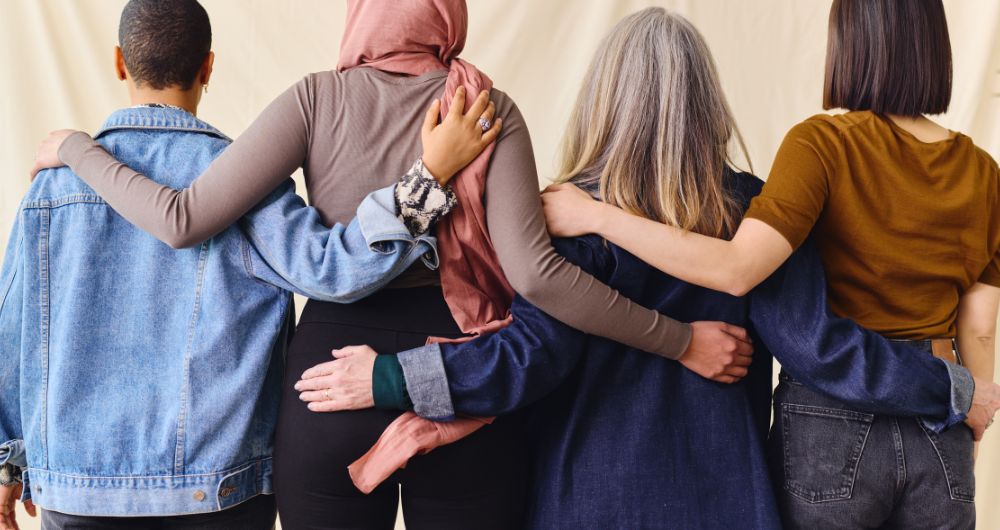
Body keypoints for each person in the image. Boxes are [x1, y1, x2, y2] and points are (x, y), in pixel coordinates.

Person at [28, 1, 767, 528]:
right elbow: (539, 278)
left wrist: (73, 147)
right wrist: (679, 339)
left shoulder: (315, 100)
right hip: (469, 386)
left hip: (327, 385)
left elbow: (181, 220)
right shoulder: (484, 108)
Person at [299, 8, 999, 529]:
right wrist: (951, 387)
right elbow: (819, 346)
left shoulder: (568, 218)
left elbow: (526, 358)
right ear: (709, 106)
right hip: (730, 505)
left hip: (586, 503)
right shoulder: (749, 213)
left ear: (604, 102)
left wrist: (393, 375)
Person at [0, 1, 483, 528]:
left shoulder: (53, 186)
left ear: (119, 63)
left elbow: (13, 331)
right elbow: (333, 270)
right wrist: (425, 183)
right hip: (219, 492)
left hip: (78, 492)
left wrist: (6, 465)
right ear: (209, 66)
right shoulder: (246, 185)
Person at [540, 1, 1000, 528]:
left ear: (850, 45)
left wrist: (598, 216)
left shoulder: (821, 145)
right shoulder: (986, 173)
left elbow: (740, 268)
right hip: (939, 414)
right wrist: (970, 410)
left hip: (832, 420)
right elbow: (981, 328)